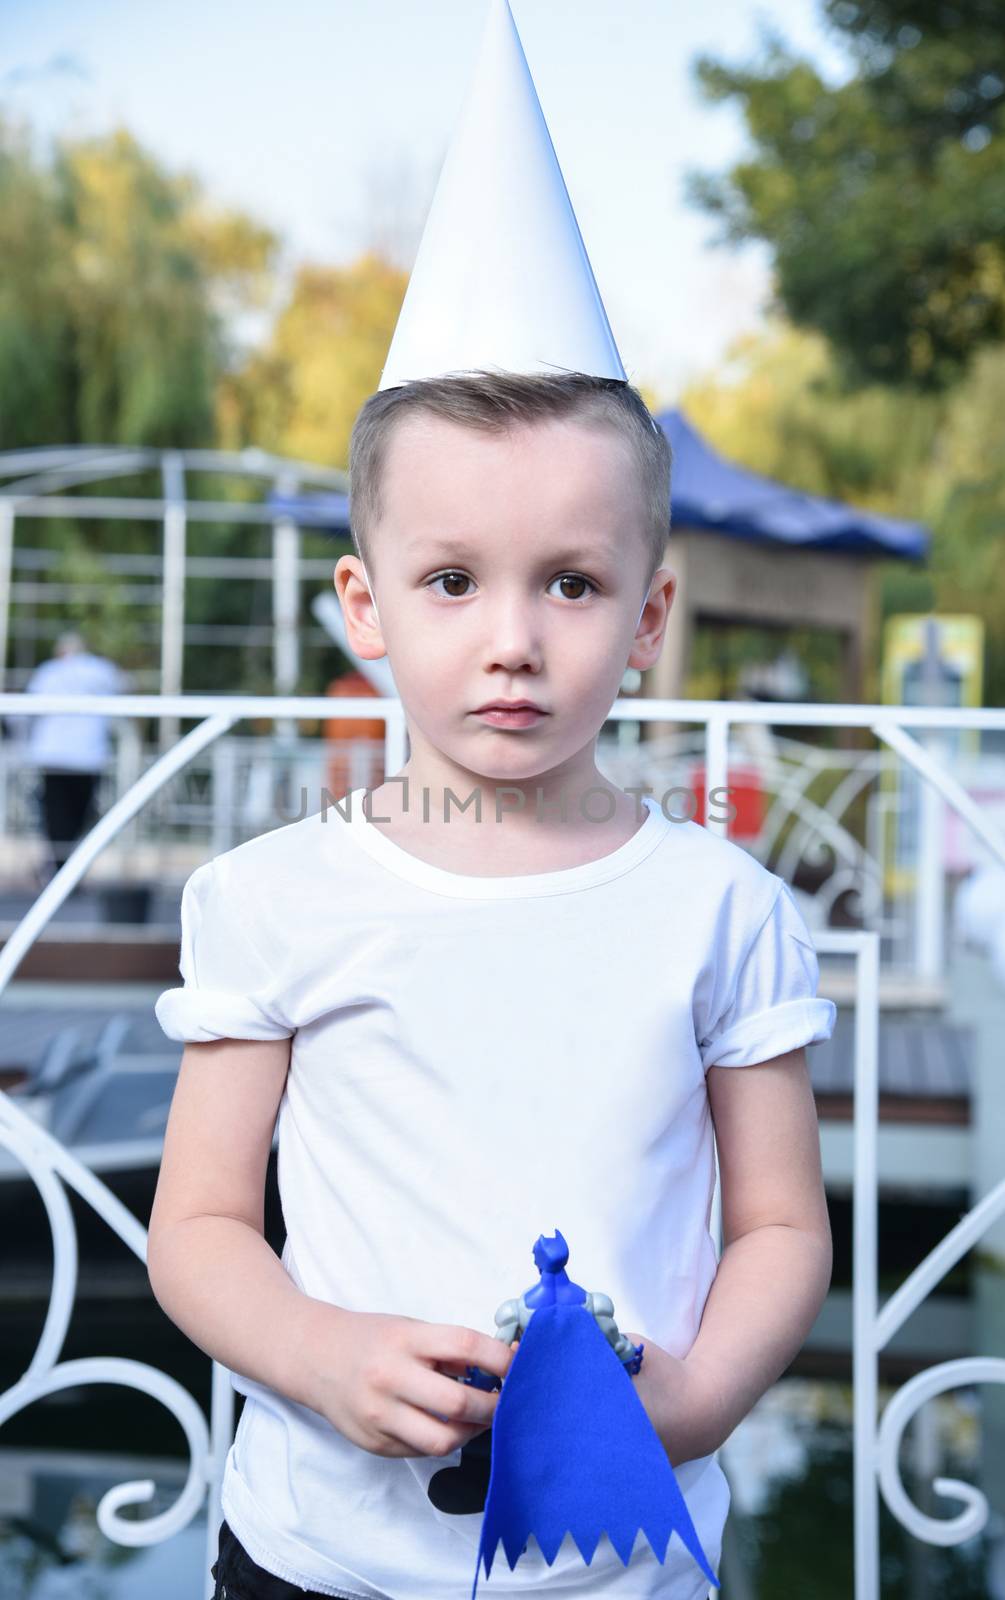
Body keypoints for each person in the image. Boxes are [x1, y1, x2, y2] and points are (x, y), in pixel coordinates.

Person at [149, 5, 836, 1598]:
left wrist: (696, 1401)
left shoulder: (720, 909)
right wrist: (317, 1355)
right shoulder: (271, 899)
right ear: (366, 604)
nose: (514, 640)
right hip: (320, 1560)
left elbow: (781, 1225)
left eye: (575, 584)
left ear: (650, 620)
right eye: (452, 579)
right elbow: (196, 1226)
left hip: (627, 1571)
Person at [20, 631, 127, 879]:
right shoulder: (102, 670)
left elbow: (27, 711)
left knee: (55, 815)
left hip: (52, 756)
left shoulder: (48, 671)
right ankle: (69, 869)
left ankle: (60, 868)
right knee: (82, 814)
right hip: (89, 757)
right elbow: (125, 689)